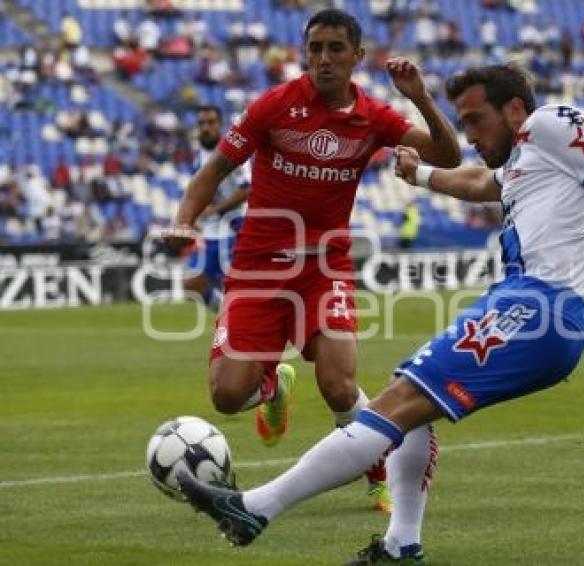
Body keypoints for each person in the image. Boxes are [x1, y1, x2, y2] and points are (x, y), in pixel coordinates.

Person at [175, 63, 584, 564]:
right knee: (412, 401)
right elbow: (475, 184)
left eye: (474, 120)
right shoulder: (522, 163)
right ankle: (402, 544)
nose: (468, 134)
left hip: (539, 306)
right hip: (527, 305)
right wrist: (419, 173)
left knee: (395, 402)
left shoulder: (550, 122)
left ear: (515, 109)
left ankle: (254, 508)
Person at [161, 8, 461, 514]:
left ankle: (376, 471)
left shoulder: (374, 117)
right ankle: (273, 383)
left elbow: (448, 156)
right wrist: (185, 220)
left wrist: (423, 100)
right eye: (315, 48)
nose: (323, 59)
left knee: (340, 384)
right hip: (257, 269)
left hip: (324, 268)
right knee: (228, 397)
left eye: (335, 49)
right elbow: (215, 168)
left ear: (357, 58)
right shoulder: (275, 106)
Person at [182, 105, 250, 312]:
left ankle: (239, 324)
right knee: (192, 284)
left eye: (210, 123)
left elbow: (247, 190)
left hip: (235, 228)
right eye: (201, 123)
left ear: (220, 125)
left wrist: (214, 210)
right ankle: (228, 317)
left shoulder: (233, 154)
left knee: (237, 288)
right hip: (211, 233)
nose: (205, 128)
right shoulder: (199, 158)